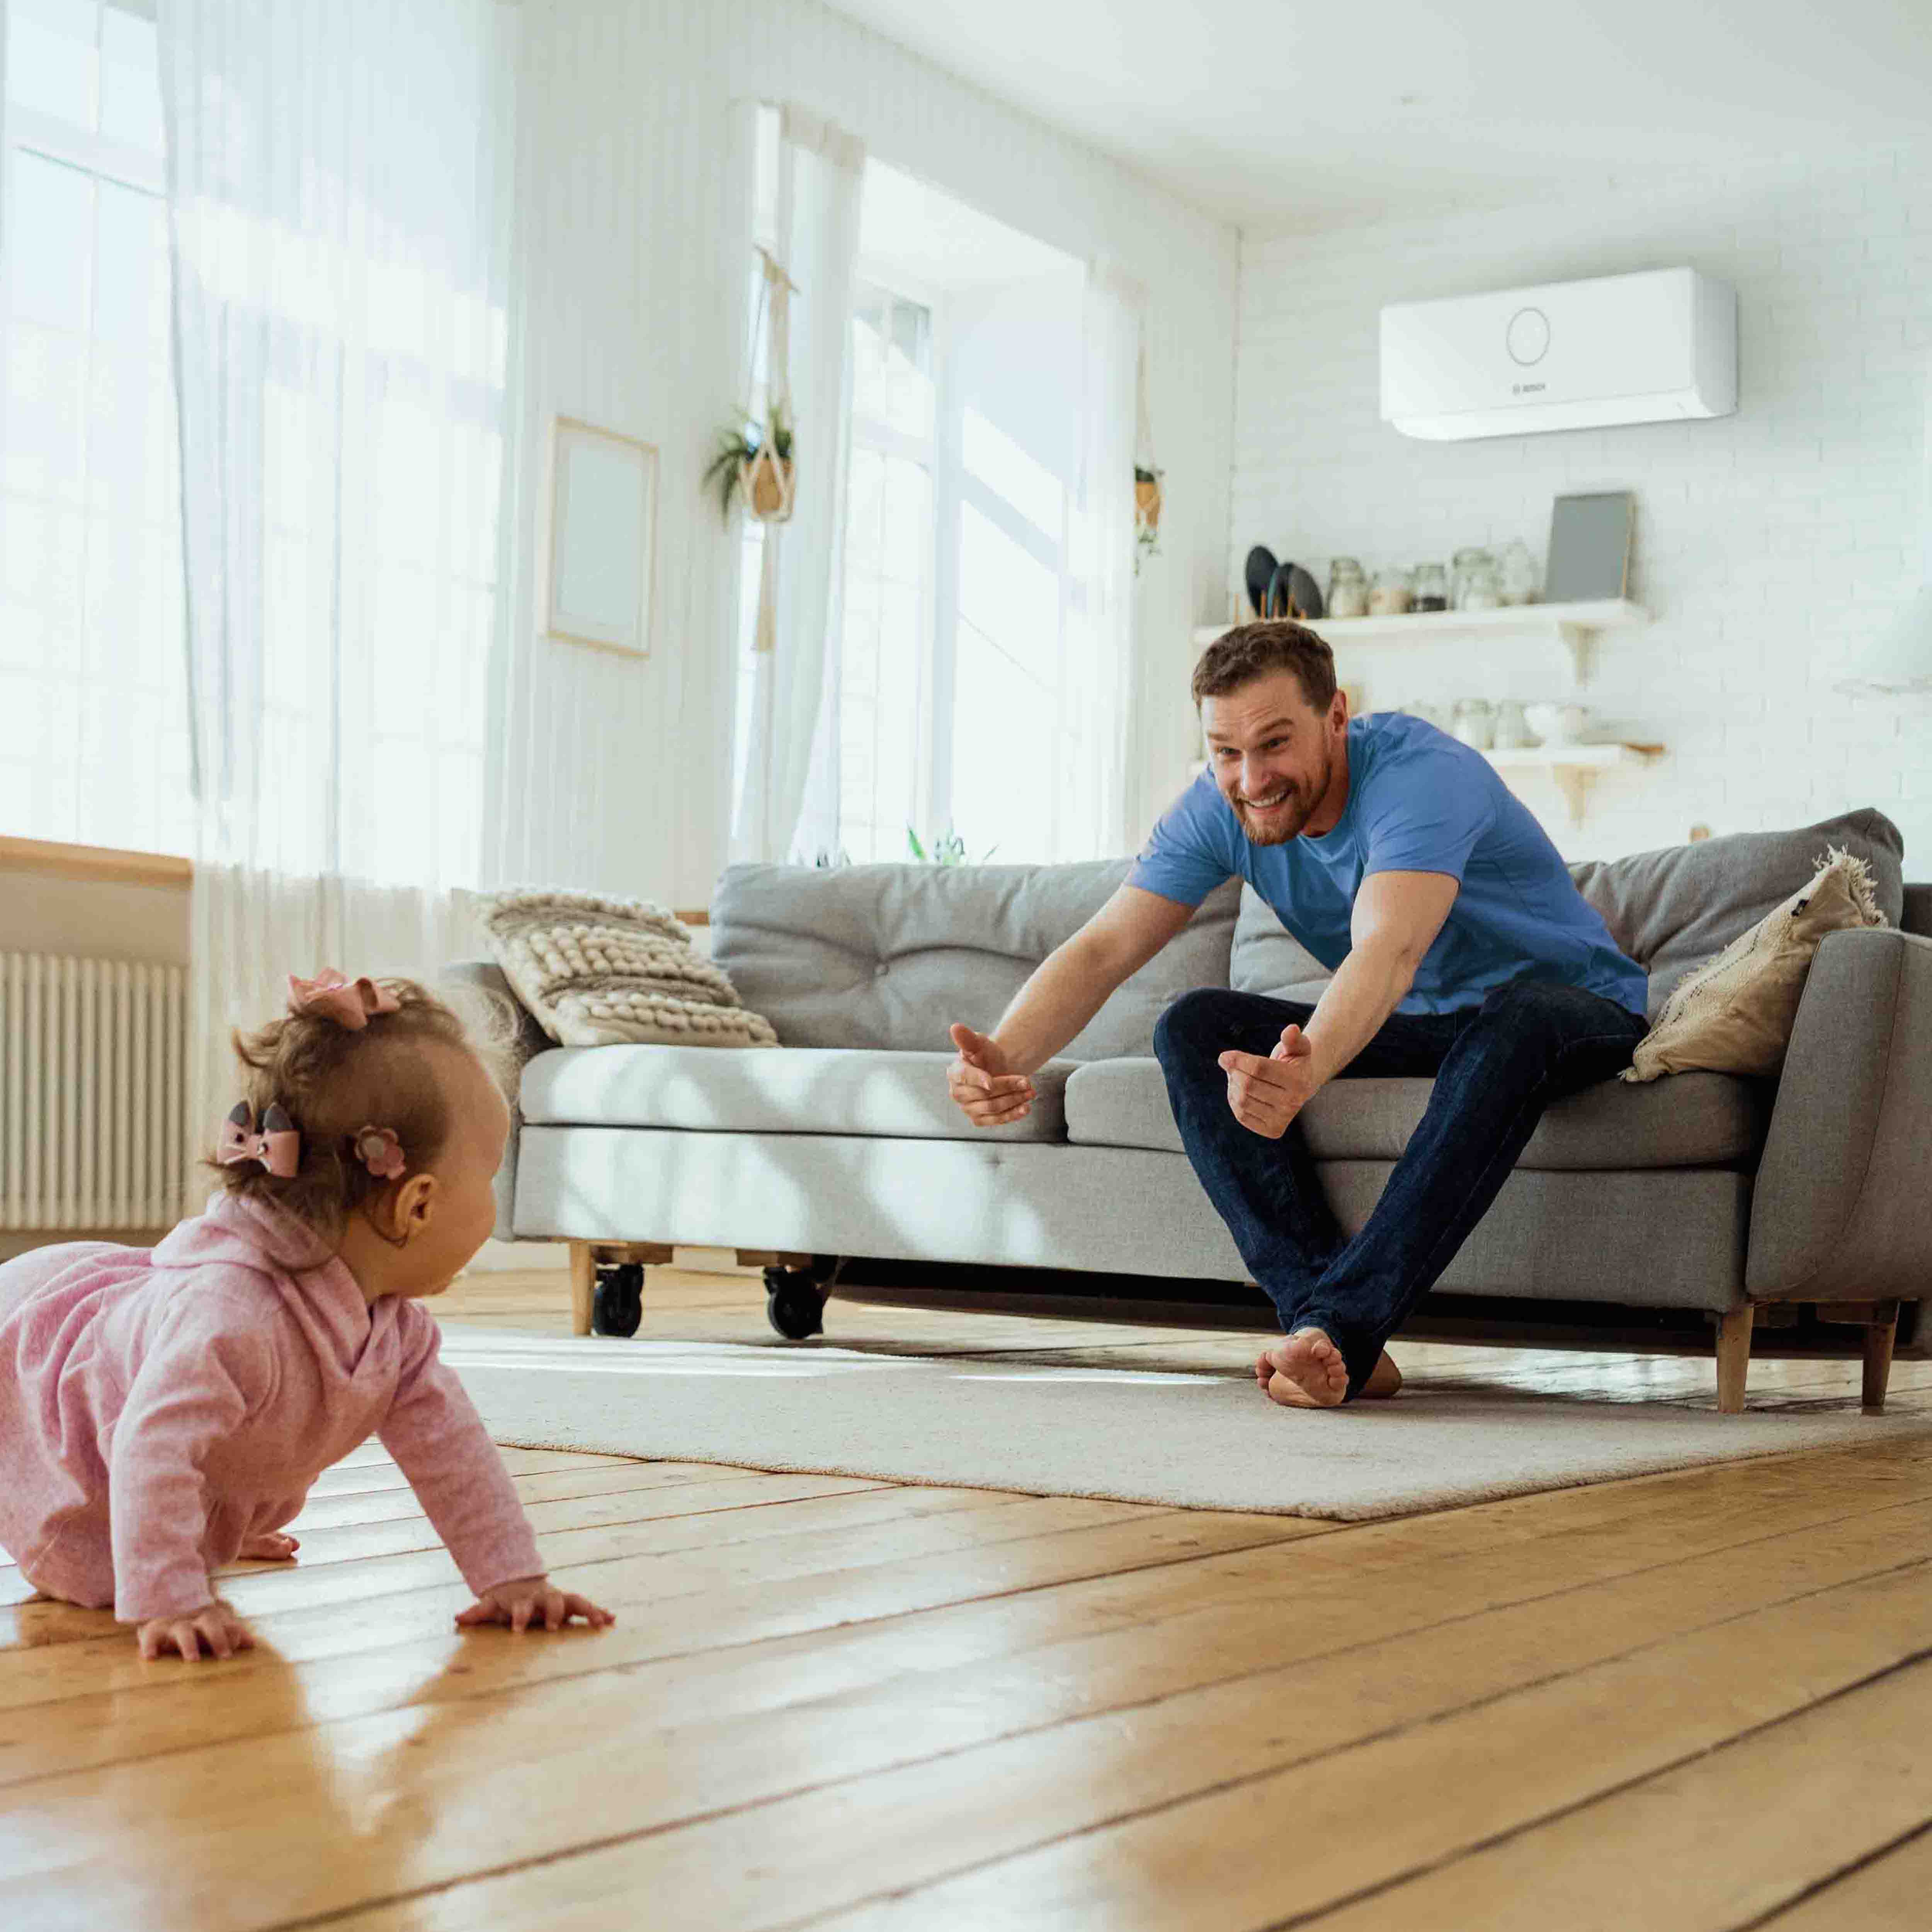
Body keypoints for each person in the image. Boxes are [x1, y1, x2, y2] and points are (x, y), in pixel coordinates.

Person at [947, 621, 1648, 1411]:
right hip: (1430, 1024)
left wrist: (1309, 1066)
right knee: (1194, 1025)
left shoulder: (1421, 777)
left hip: (1573, 1008)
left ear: (1336, 717)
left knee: (1513, 1015)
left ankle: (1341, 1327)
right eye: (1225, 752)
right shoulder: (1220, 808)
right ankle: (1327, 1333)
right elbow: (1105, 947)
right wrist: (1005, 1055)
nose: (1251, 778)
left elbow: (1387, 949)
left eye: (1274, 744)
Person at [0, 969, 616, 1661]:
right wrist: (172, 1599)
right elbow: (150, 1448)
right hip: (58, 1397)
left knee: (194, 1472)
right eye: (492, 1173)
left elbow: (453, 1455)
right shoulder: (233, 1321)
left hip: (152, 1421)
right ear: (418, 1203)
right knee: (97, 1575)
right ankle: (176, 1534)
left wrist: (512, 1579)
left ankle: (208, 1515)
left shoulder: (393, 1330)